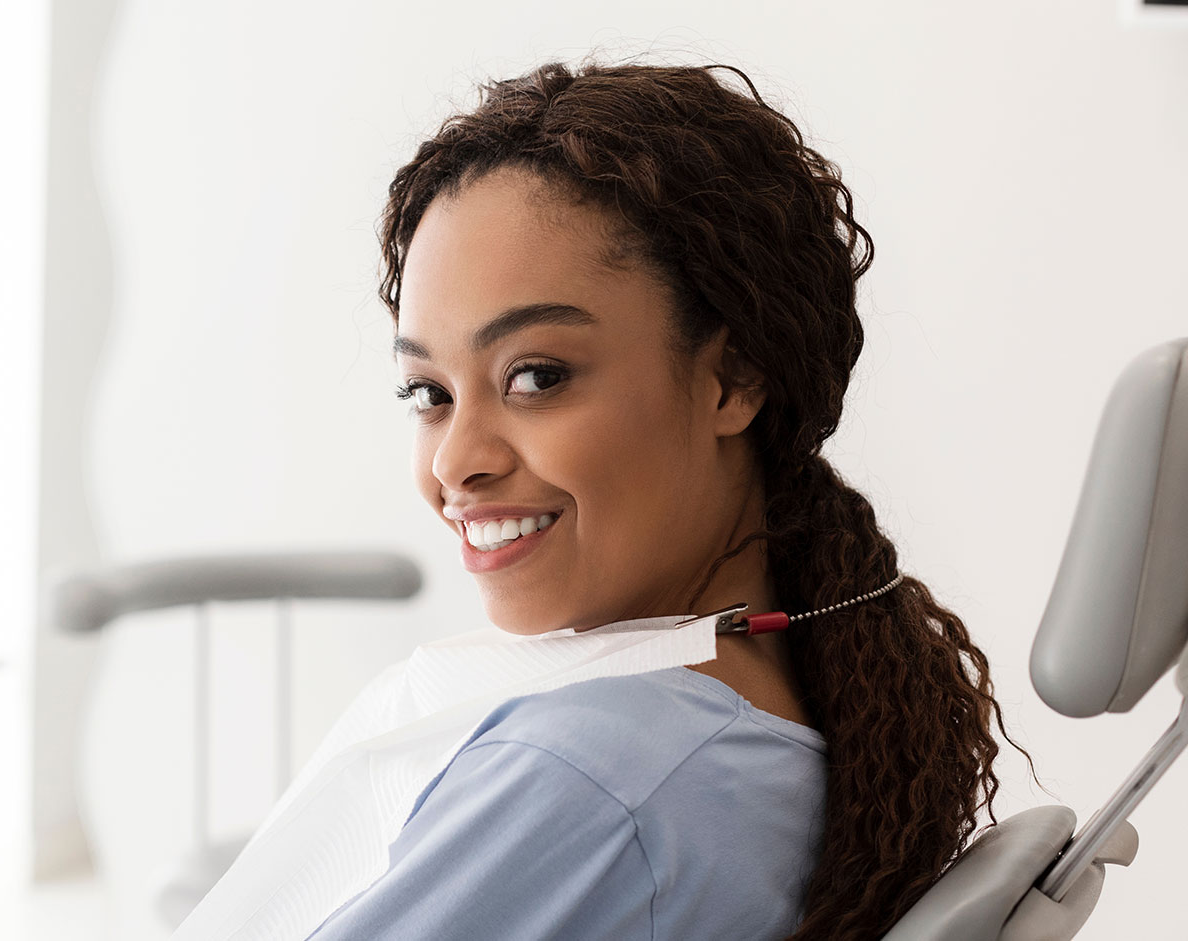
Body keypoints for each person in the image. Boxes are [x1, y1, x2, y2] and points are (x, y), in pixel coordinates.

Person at [305, 59, 1038, 939]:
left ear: (732, 378)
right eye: (429, 392)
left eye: (537, 375)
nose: (457, 461)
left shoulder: (592, 775)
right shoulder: (776, 706)